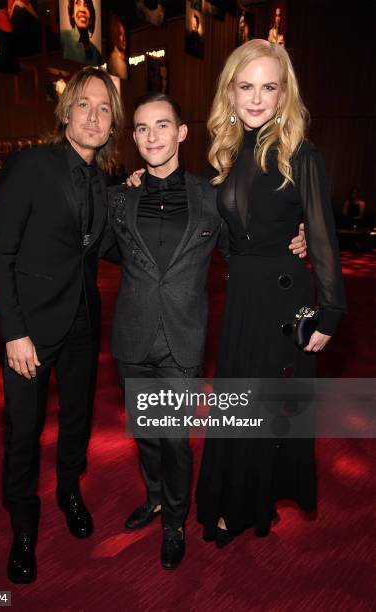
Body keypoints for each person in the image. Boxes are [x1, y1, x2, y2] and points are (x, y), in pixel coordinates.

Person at [103, 92, 306, 569]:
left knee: (173, 438)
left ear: (181, 132)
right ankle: (153, 498)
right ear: (133, 137)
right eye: (141, 128)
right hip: (132, 337)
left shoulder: (211, 198)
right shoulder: (119, 196)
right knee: (146, 434)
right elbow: (106, 251)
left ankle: (174, 521)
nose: (151, 136)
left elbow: (245, 250)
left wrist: (294, 240)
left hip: (182, 338)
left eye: (161, 126)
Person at [196, 39, 346, 548]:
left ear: (284, 96)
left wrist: (330, 312)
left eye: (268, 87)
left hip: (283, 299)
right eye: (246, 86)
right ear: (231, 92)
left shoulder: (301, 154)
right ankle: (237, 501)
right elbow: (224, 231)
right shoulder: (228, 150)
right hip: (241, 300)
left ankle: (244, 506)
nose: (256, 98)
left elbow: (322, 234)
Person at [0, 67, 124, 584]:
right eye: (84, 105)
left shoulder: (104, 182)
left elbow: (108, 247)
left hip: (84, 326)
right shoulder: (29, 166)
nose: (94, 115)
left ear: (112, 126)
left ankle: (70, 490)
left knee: (77, 421)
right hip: (30, 331)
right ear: (66, 112)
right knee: (23, 433)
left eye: (104, 109)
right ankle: (23, 526)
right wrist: (12, 332)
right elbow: (0, 255)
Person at [61, 0, 102, 66]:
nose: (82, 9)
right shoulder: (63, 39)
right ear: (72, 13)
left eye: (86, 5)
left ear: (91, 15)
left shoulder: (96, 53)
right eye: (77, 3)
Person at [108, 14, 128, 80]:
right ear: (114, 36)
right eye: (120, 34)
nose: (124, 39)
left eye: (124, 35)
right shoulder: (114, 59)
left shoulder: (122, 58)